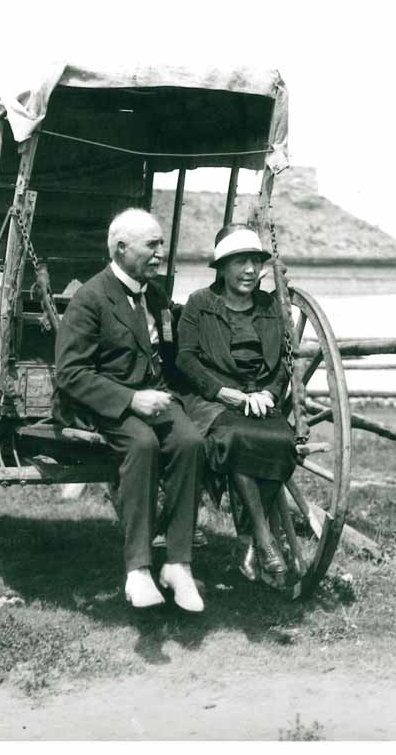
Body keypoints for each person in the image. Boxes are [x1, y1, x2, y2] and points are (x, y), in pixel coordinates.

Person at [54, 208, 205, 612]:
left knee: (190, 442)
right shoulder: (89, 299)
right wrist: (130, 399)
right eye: (151, 245)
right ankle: (138, 569)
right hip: (104, 406)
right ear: (121, 249)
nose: (160, 253)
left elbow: (173, 352)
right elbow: (70, 374)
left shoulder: (154, 295)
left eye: (160, 244)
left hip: (155, 398)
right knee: (142, 446)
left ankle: (177, 562)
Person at [176, 223, 298, 578]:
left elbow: (284, 363)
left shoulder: (270, 307)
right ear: (222, 267)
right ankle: (261, 537)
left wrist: (269, 393)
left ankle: (248, 540)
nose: (249, 270)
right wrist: (224, 393)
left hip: (258, 399)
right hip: (212, 399)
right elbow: (185, 359)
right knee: (235, 439)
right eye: (240, 262)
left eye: (254, 262)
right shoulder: (200, 304)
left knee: (283, 443)